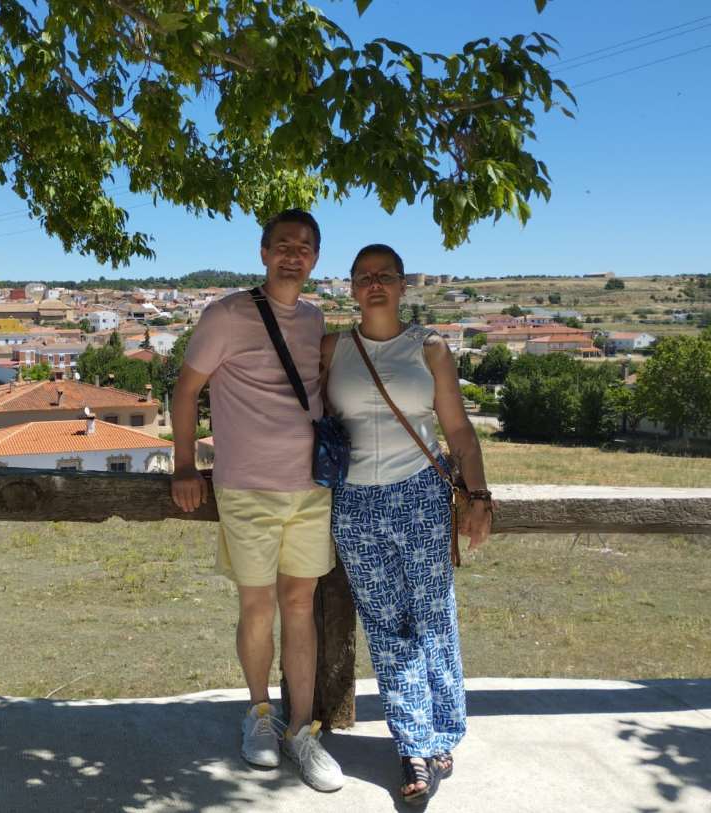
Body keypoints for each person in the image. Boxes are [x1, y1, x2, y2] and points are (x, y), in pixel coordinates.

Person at [169, 208, 344, 793]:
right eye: (283, 245)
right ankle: (260, 716)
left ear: (316, 258)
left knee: (300, 605)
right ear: (264, 253)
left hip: (310, 490)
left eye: (305, 247)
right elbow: (186, 390)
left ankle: (301, 731)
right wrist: (184, 466)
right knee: (258, 608)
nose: (294, 255)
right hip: (245, 486)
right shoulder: (227, 314)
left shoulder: (315, 318)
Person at [321, 243, 493, 805]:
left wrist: (478, 496)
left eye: (385, 276)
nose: (375, 284)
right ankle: (414, 744)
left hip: (420, 494)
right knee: (386, 627)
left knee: (433, 615)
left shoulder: (431, 348)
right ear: (351, 288)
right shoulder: (332, 349)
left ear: (401, 285)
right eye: (364, 276)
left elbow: (460, 432)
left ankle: (444, 733)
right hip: (355, 504)